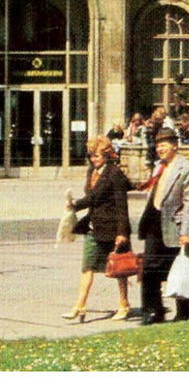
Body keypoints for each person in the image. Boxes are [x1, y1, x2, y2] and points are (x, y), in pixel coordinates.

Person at [63, 137, 132, 322]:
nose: (93, 159)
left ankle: (124, 304)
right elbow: (92, 197)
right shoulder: (92, 172)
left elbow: (121, 205)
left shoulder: (115, 174)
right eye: (91, 156)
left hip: (112, 228)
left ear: (107, 155)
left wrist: (122, 233)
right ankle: (80, 305)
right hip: (94, 227)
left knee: (119, 268)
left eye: (97, 156)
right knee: (87, 267)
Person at [137, 128, 189, 324]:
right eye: (158, 145)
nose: (160, 149)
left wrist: (186, 232)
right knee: (148, 269)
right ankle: (153, 311)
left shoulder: (186, 167)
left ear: (175, 145)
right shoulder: (159, 166)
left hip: (174, 224)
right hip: (154, 221)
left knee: (178, 267)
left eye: (163, 145)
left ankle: (184, 311)